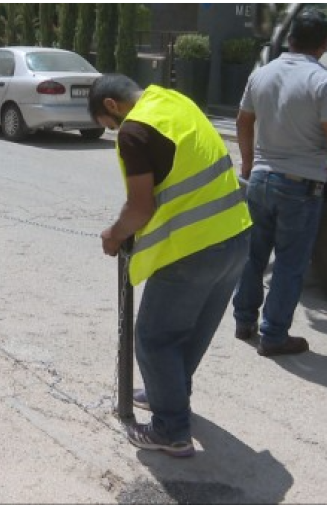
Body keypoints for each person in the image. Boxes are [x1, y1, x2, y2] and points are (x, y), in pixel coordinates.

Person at [88, 75, 252, 457]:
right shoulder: (174, 101)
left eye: (109, 125)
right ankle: (169, 396)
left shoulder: (134, 130)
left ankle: (171, 430)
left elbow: (140, 207)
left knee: (154, 338)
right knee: (188, 335)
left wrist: (114, 235)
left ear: (112, 105)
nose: (114, 131)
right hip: (236, 236)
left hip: (192, 250)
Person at [232, 8, 327, 357]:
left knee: (253, 256)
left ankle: (244, 321)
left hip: (260, 179)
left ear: (290, 39)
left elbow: (243, 122)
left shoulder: (261, 74)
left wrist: (249, 164)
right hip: (300, 187)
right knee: (289, 263)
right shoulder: (325, 83)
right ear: (324, 44)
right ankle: (273, 335)